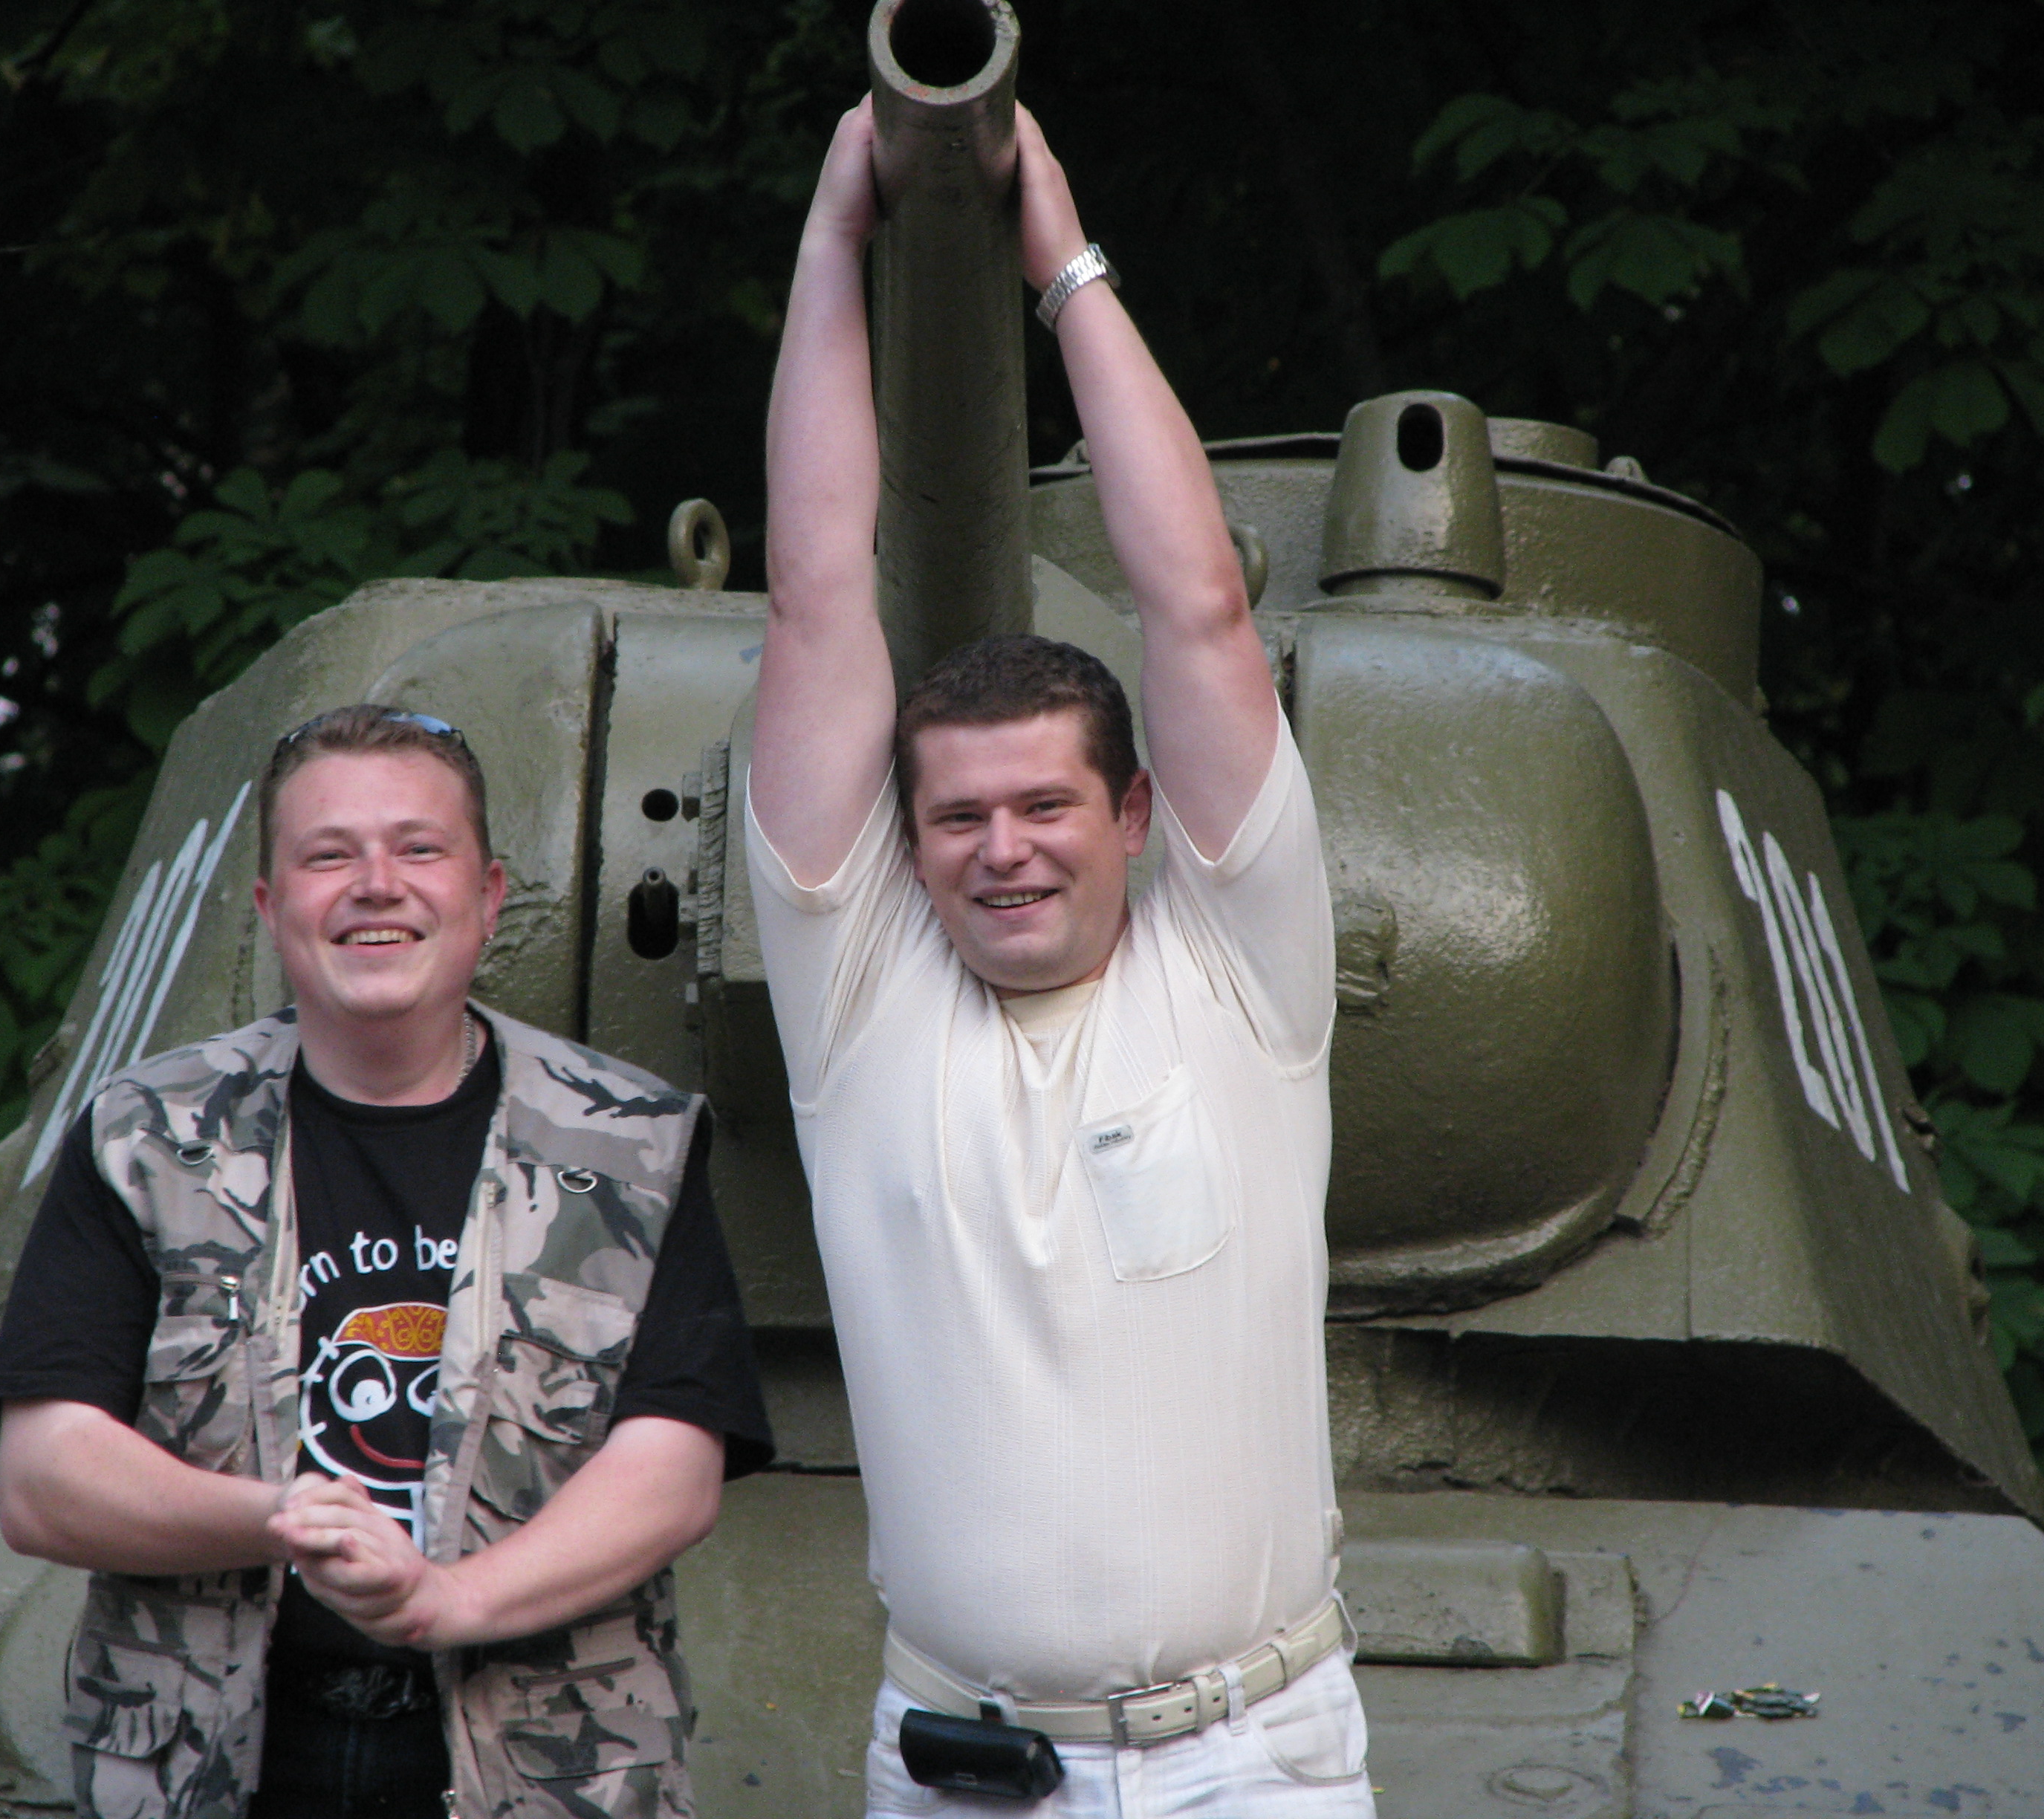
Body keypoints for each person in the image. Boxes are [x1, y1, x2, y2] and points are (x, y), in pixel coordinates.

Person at [750, 97, 1370, 1817]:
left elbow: (1200, 610)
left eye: (1045, 806)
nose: (1003, 847)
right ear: (906, 845)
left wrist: (1065, 260)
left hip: (1254, 1762)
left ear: (1137, 814)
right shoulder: (858, 1002)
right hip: (964, 1766)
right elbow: (815, 594)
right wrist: (833, 241)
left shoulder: (1238, 975)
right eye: (957, 817)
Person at [0, 704, 772, 1819]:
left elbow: (673, 1470)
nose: (377, 886)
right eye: (329, 856)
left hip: (540, 1760)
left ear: (488, 897)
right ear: (271, 909)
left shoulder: (628, 1145)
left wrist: (447, 1601)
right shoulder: (148, 1136)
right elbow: (46, 1481)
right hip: (210, 1760)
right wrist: (286, 1518)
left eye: (418, 848)